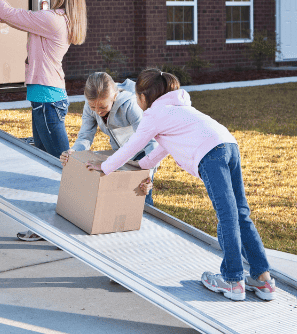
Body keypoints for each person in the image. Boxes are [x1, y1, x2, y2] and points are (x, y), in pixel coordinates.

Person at [85, 68, 277, 302]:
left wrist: (105, 167)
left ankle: (232, 280)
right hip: (229, 145)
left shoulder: (154, 114)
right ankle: (263, 279)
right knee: (241, 213)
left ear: (144, 97)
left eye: (137, 96)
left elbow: (131, 146)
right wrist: (142, 166)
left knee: (227, 216)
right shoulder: (178, 109)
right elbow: (164, 148)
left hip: (211, 154)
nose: (136, 100)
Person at [0, 0, 87, 243]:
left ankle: (70, 229)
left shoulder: (53, 20)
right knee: (45, 167)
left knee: (61, 168)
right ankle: (47, 227)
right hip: (44, 99)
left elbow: (12, 13)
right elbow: (13, 18)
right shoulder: (52, 17)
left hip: (48, 101)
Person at [60, 72, 156, 205]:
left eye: (103, 107)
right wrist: (74, 152)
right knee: (121, 199)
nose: (98, 111)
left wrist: (149, 175)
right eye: (93, 107)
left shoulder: (130, 106)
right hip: (119, 154)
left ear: (114, 97)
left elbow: (151, 142)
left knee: (142, 199)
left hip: (142, 155)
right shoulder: (90, 106)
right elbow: (85, 136)